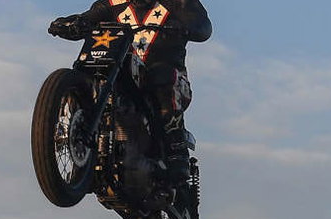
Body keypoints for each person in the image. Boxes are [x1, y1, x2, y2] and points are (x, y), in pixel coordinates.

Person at [48, 0, 212, 182]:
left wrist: (186, 27)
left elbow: (204, 26)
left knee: (162, 76)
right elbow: (88, 18)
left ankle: (177, 150)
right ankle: (89, 141)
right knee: (93, 71)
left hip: (171, 80)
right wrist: (69, 24)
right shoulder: (111, 4)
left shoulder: (178, 2)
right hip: (123, 74)